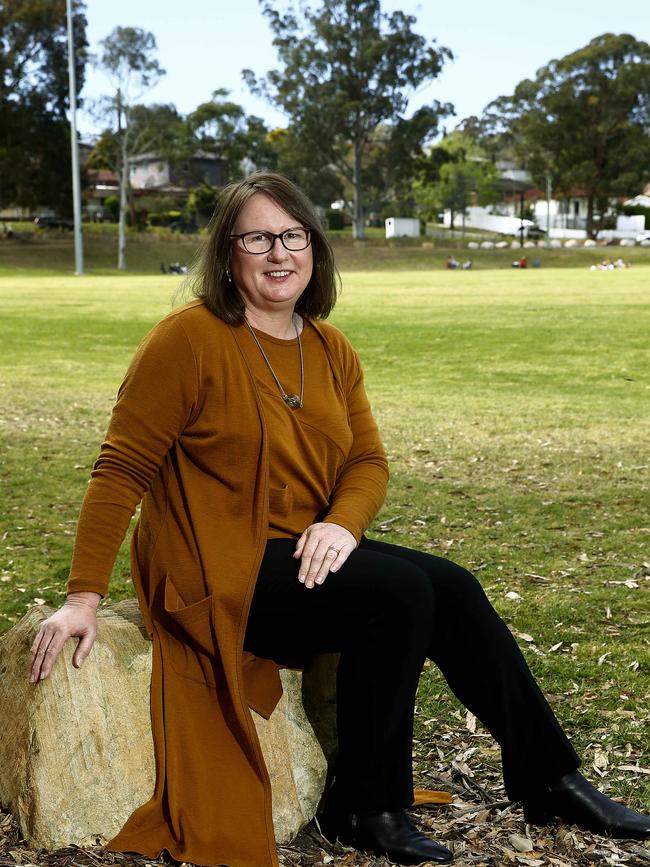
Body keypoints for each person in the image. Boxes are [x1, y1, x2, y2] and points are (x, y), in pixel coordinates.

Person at [28, 173, 650, 867]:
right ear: (227, 253)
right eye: (257, 237)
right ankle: (366, 805)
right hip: (213, 566)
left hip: (301, 551)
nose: (278, 253)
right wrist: (82, 597)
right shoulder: (187, 341)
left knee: (454, 586)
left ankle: (551, 777)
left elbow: (367, 462)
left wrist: (343, 525)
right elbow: (120, 470)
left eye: (293, 236)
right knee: (398, 594)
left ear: (315, 250)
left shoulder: (329, 347)